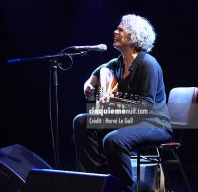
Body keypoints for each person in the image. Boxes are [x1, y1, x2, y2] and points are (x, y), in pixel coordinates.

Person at [73, 14, 173, 190]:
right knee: (82, 122)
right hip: (131, 121)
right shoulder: (118, 63)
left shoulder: (148, 64)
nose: (115, 31)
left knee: (114, 140)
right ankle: (97, 182)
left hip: (154, 123)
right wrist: (89, 83)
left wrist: (114, 101)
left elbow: (146, 106)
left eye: (121, 29)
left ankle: (124, 188)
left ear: (134, 36)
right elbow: (98, 72)